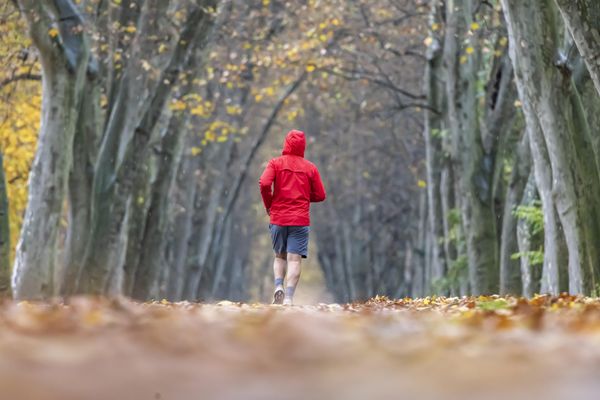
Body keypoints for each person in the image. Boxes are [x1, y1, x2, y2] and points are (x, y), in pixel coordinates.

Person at [259, 129, 326, 305]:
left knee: (279, 256)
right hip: (300, 220)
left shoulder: (275, 163)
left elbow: (264, 183)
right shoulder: (310, 168)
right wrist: (301, 196)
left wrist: (269, 204)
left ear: (286, 143)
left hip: (278, 218)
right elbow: (320, 195)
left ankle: (278, 286)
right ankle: (288, 297)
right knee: (294, 259)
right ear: (303, 146)